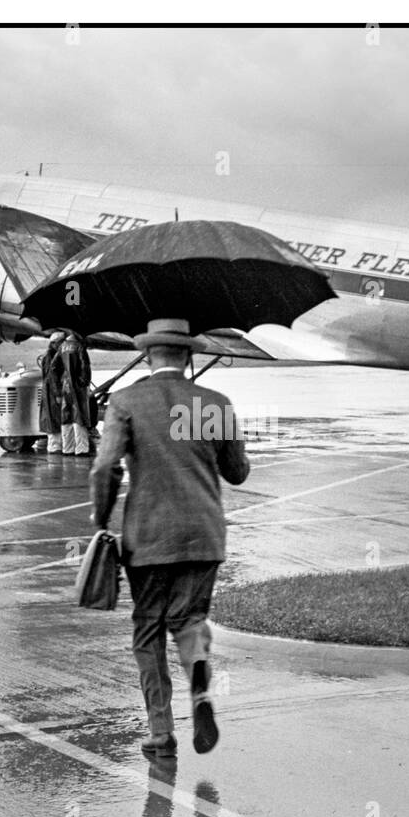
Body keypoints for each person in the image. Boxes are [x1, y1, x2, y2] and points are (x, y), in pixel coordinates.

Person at [90, 319, 250, 757]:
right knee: (190, 620)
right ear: (190, 355)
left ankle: (161, 731)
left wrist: (101, 520)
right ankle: (199, 681)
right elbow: (237, 472)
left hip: (148, 538)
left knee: (148, 631)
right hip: (204, 534)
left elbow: (105, 468)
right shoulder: (213, 404)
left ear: (146, 355)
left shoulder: (126, 401)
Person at [58, 331, 93, 456]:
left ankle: (67, 448)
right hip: (78, 387)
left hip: (65, 386)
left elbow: (54, 367)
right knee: (79, 417)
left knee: (66, 417)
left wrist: (61, 382)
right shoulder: (79, 347)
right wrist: (84, 382)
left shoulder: (61, 347)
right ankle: (81, 448)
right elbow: (85, 366)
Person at [39, 332, 66, 453]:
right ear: (55, 343)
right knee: (53, 417)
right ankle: (55, 446)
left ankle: (55, 445)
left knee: (53, 417)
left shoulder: (50, 354)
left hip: (50, 390)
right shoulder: (51, 356)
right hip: (52, 391)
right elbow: (52, 376)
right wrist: (58, 394)